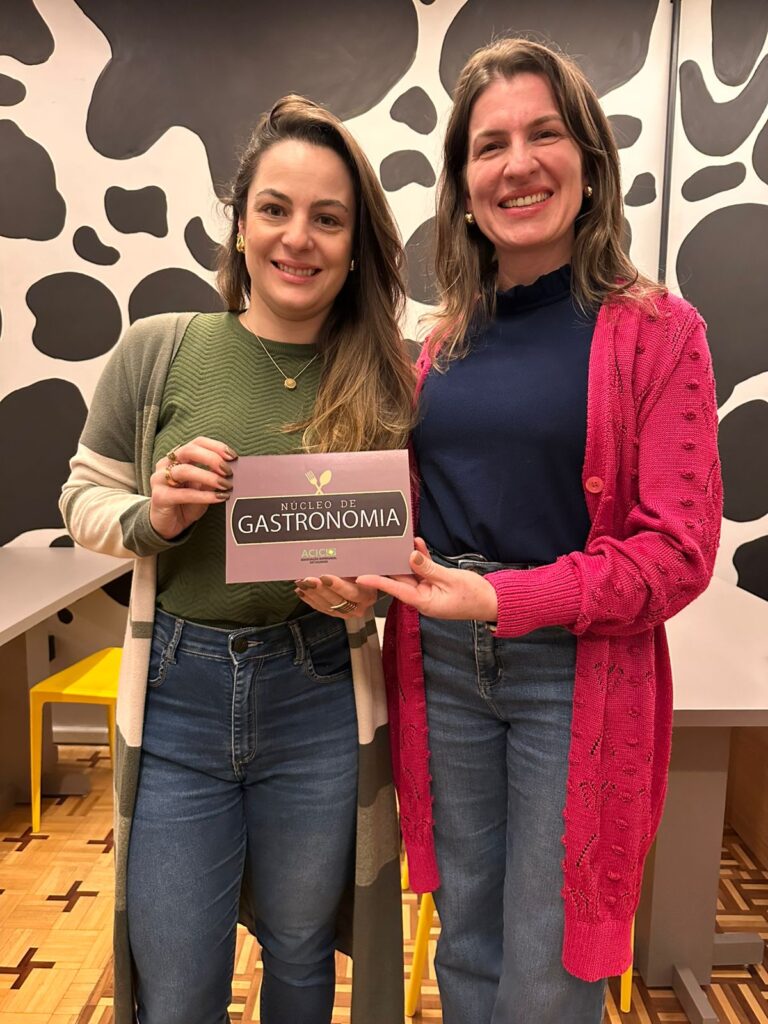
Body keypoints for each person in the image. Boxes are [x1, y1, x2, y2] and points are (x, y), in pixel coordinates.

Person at [352, 37, 722, 1024]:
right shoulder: (435, 345)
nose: (518, 164)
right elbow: (400, 513)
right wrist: (350, 567)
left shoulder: (661, 332)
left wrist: (506, 597)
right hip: (438, 667)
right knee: (468, 948)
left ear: (589, 162)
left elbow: (679, 552)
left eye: (544, 134)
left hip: (573, 671)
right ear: (464, 187)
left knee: (547, 976)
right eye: (490, 145)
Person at [60, 95, 414, 1024]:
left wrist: (362, 601)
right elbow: (81, 498)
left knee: (301, 955)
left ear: (356, 243)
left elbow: (404, 558)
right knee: (178, 990)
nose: (298, 238)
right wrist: (154, 516)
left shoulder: (391, 377)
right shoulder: (160, 350)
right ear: (241, 224)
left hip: (319, 695)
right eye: (275, 209)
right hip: (176, 699)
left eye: (328, 218)